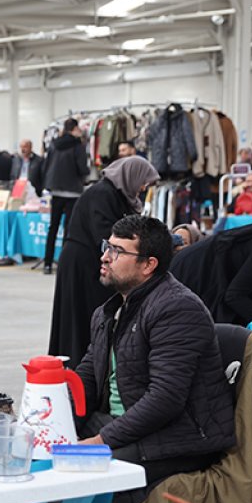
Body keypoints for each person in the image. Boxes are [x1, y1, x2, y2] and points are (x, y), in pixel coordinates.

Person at [65, 214, 236, 503]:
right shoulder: (108, 311)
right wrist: (51, 401)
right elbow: (89, 375)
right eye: (106, 247)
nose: (105, 257)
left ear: (148, 265)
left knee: (91, 466)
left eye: (117, 250)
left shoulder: (177, 309)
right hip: (123, 421)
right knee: (53, 449)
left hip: (180, 433)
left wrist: (100, 442)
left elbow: (165, 400)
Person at [49, 156, 159, 367]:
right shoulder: (102, 194)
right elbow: (108, 234)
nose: (144, 187)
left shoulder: (116, 195)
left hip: (93, 261)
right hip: (82, 264)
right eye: (143, 180)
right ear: (131, 176)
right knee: (82, 318)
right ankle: (79, 368)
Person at [42, 118, 91, 274]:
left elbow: (46, 165)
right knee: (69, 229)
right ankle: (64, 264)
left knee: (53, 228)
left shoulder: (54, 144)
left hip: (55, 189)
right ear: (75, 128)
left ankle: (47, 263)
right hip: (72, 191)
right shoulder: (78, 145)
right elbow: (82, 168)